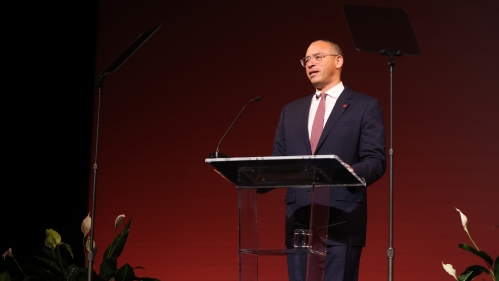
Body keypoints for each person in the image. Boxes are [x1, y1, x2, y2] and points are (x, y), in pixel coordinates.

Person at [271, 40, 386, 281]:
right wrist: (253, 174)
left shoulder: (364, 106)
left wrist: (350, 171)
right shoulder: (290, 111)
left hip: (341, 219)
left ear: (338, 60)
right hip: (299, 222)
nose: (310, 63)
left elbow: (375, 160)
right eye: (306, 60)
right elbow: (278, 163)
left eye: (318, 57)